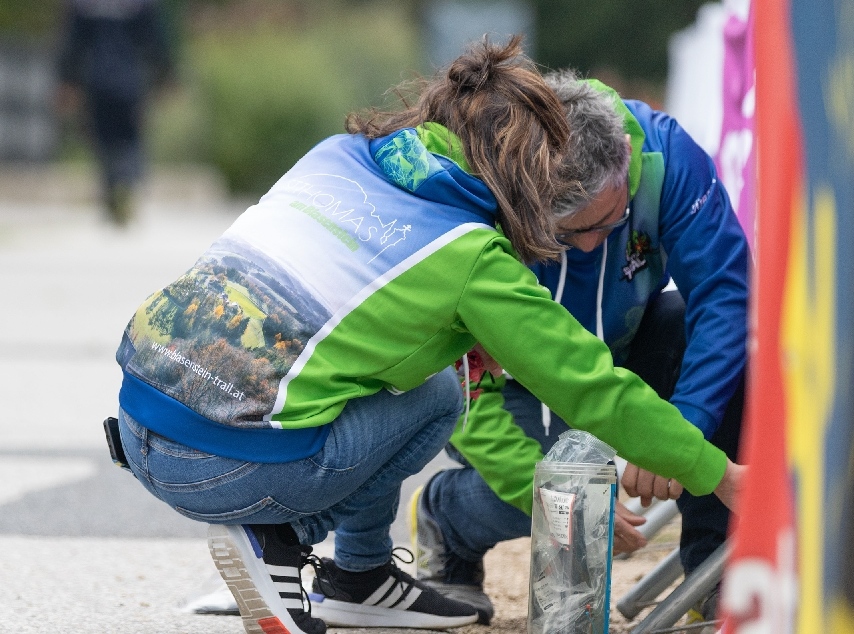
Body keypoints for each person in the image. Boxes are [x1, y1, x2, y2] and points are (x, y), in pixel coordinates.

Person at [113, 38, 743, 634]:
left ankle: (359, 578)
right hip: (221, 467)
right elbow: (589, 387)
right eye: (568, 232)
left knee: (387, 373)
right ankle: (278, 540)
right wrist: (715, 471)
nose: (583, 249)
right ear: (533, 189)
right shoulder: (471, 257)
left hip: (141, 416)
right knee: (440, 397)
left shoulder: (341, 153)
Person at [410, 69, 750, 625]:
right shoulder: (487, 185)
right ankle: (447, 517)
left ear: (626, 162)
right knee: (572, 496)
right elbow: (456, 375)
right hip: (516, 373)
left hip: (623, 345)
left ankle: (714, 577)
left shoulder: (667, 156)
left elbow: (724, 297)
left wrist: (685, 432)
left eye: (608, 223)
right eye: (566, 235)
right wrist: (551, 502)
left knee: (715, 348)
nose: (590, 246)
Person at [56, 0, 173, 225]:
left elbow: (73, 43)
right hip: (130, 81)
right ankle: (126, 183)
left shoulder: (85, 5)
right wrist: (164, 75)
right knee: (130, 137)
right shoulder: (141, 5)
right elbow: (155, 41)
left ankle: (113, 189)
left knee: (104, 139)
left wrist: (67, 80)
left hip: (97, 80)